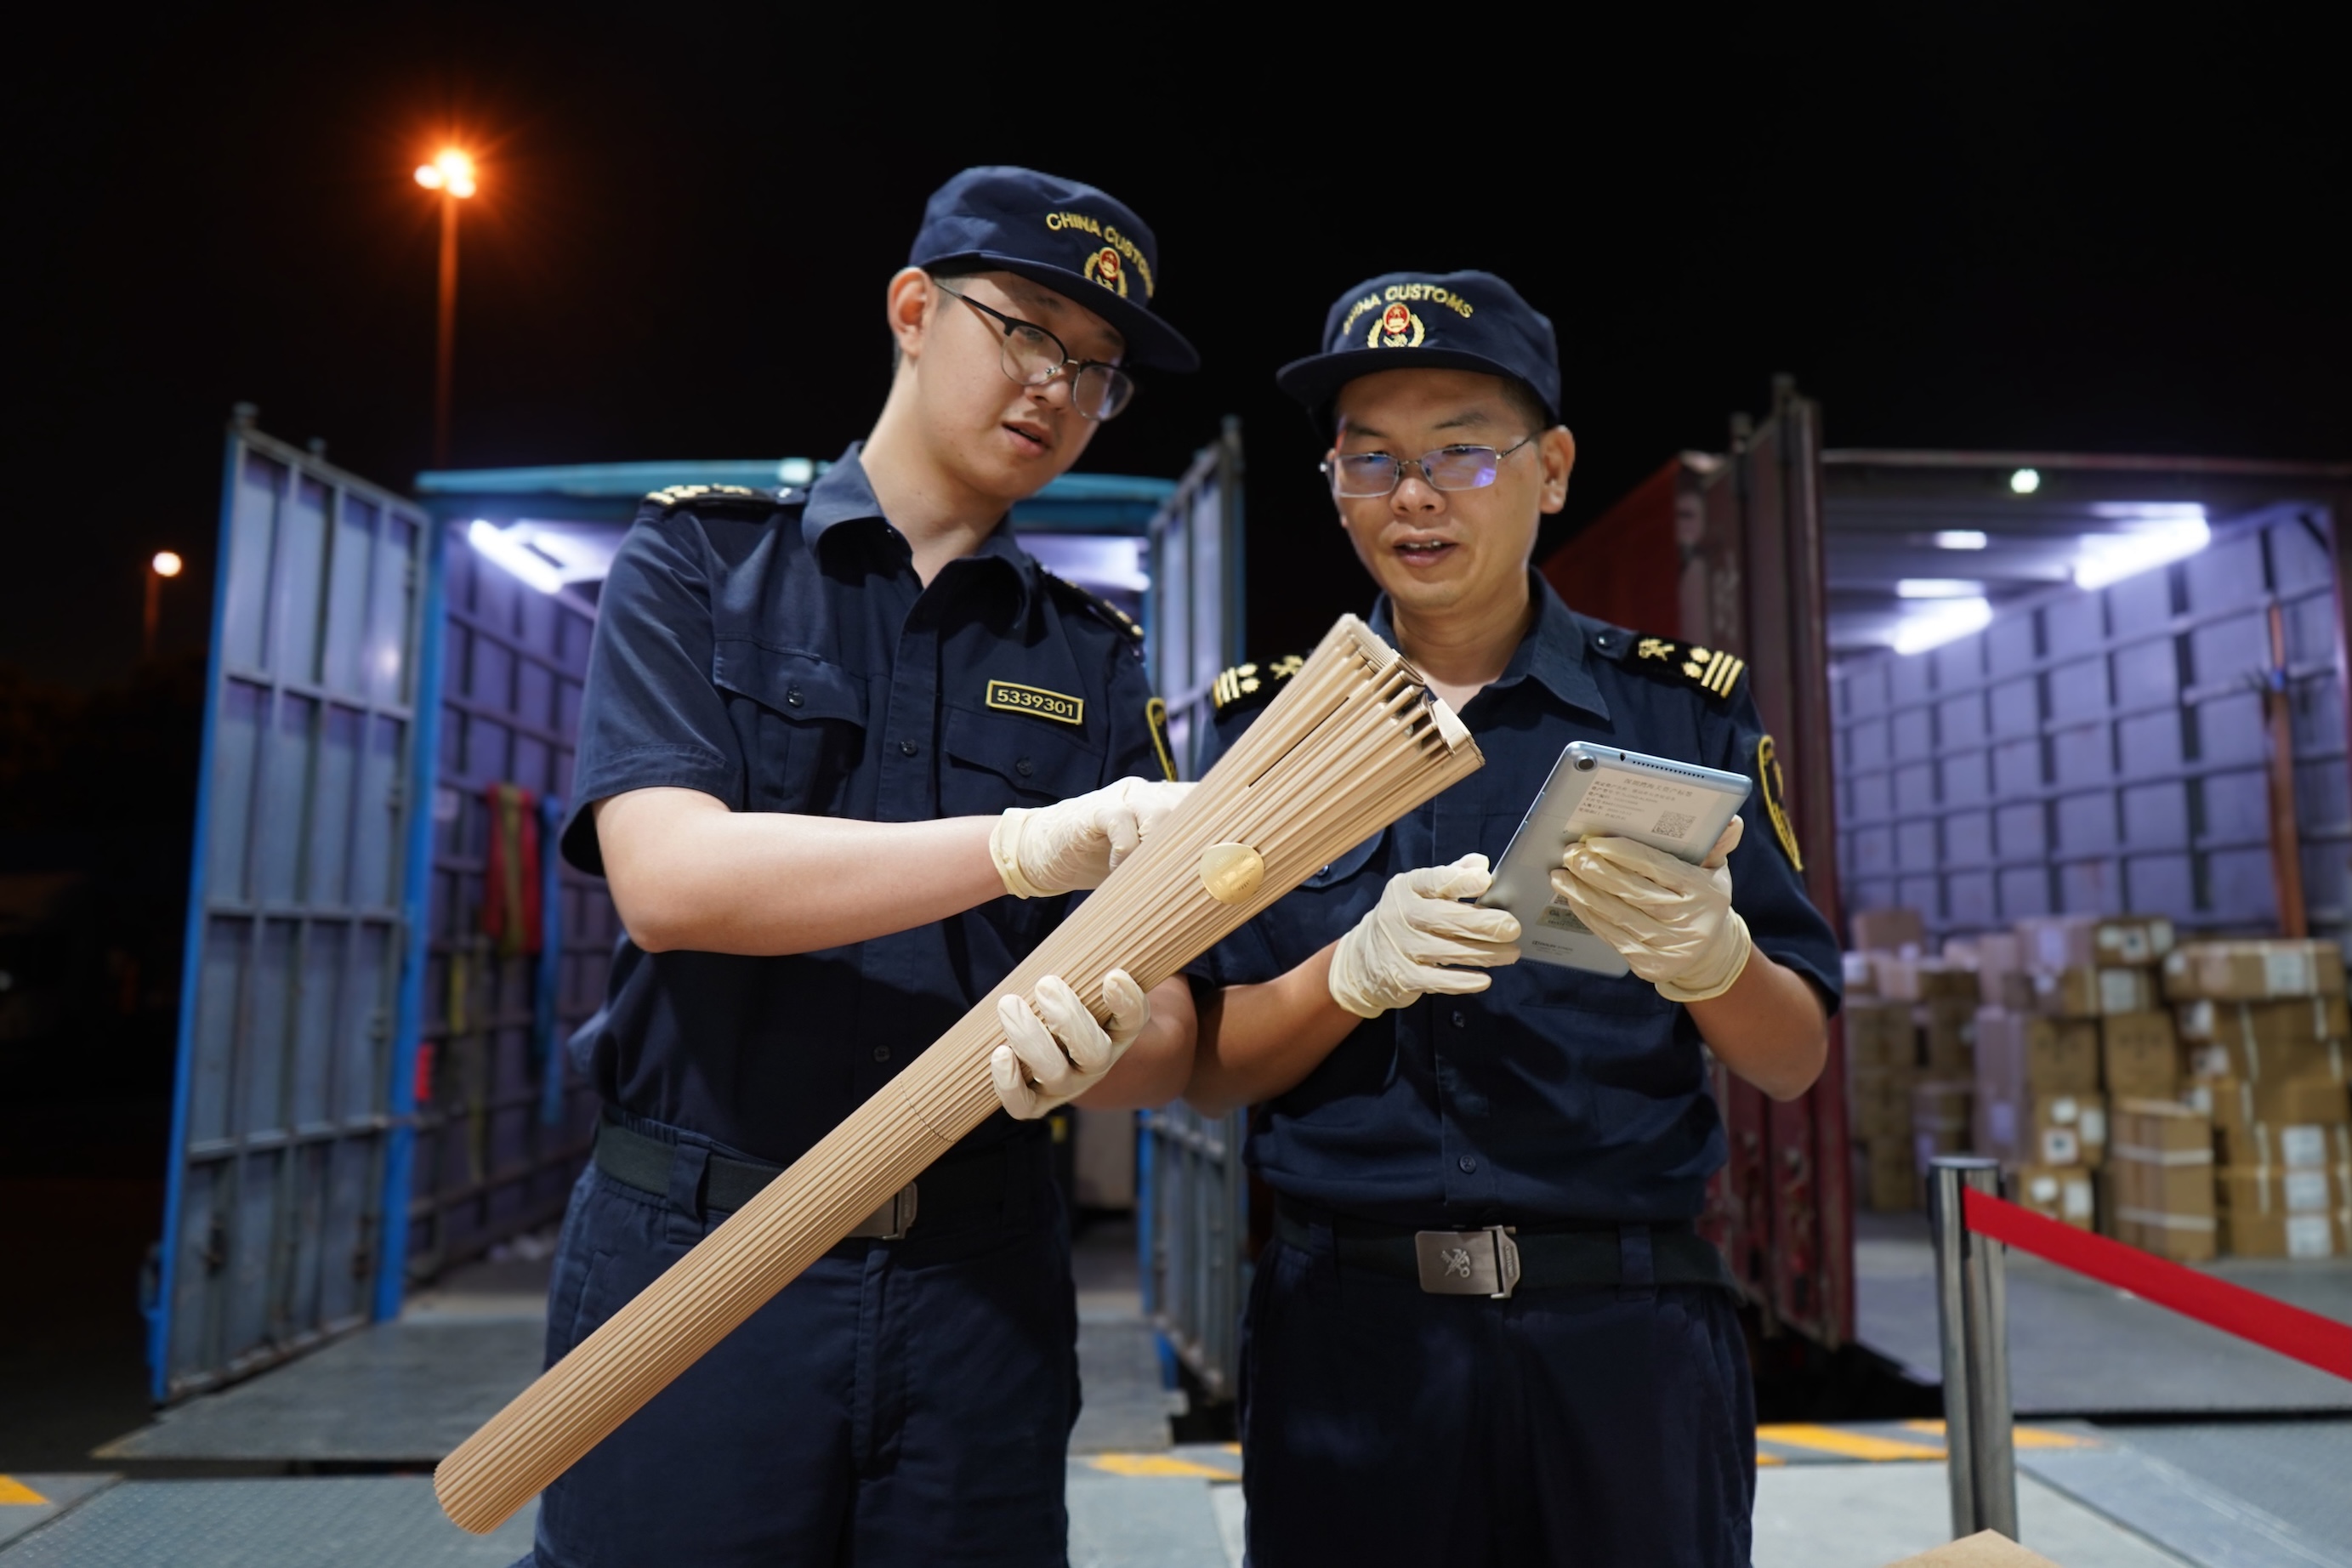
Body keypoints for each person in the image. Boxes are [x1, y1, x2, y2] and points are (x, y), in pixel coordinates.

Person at [525, 168, 1202, 1568]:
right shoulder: (701, 562)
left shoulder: (1090, 656)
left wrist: (1109, 1046)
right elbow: (673, 882)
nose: (1056, 390)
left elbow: (1170, 1019)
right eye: (1022, 330)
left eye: (1096, 371)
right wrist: (1015, 846)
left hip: (977, 1283)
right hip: (702, 1248)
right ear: (912, 308)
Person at [1184, 270, 1843, 1566]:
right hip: (1350, 1337)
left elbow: (1792, 1052)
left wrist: (1714, 961)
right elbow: (1203, 1067)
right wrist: (1343, 974)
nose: (1411, 496)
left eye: (1458, 454)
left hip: (1626, 1342)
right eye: (1366, 459)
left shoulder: (1679, 717)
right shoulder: (1254, 736)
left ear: (1550, 470)